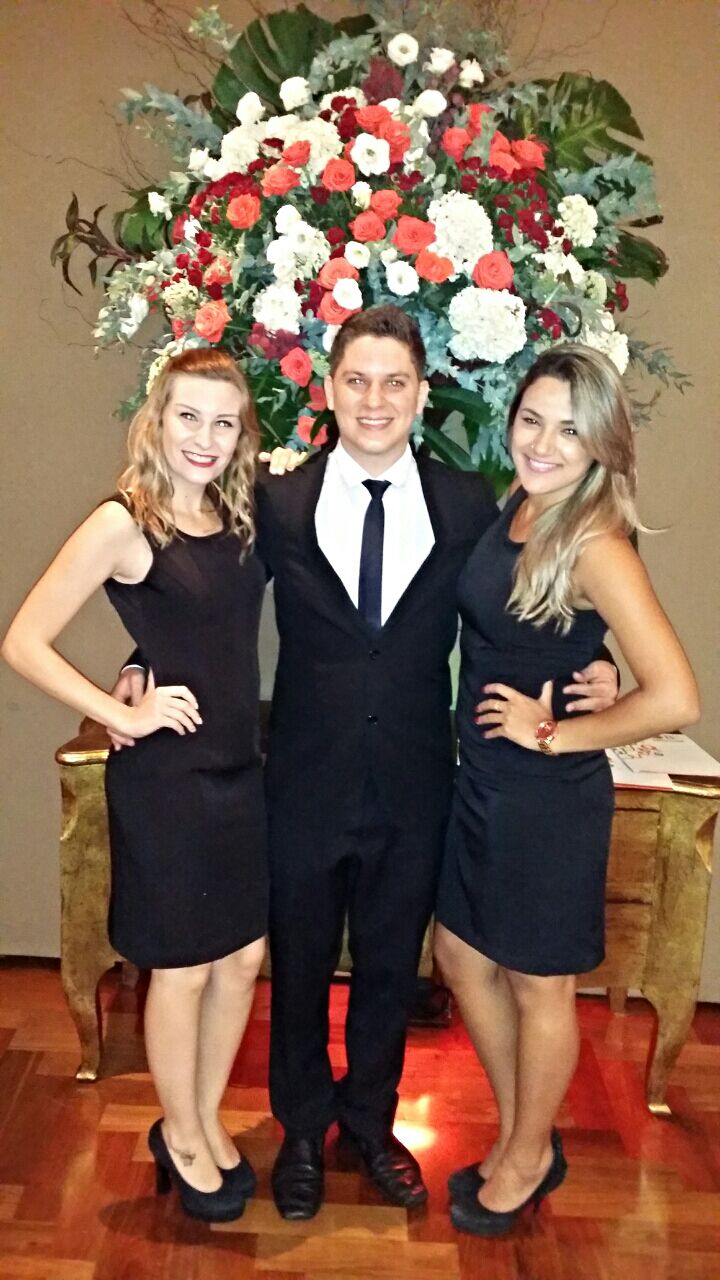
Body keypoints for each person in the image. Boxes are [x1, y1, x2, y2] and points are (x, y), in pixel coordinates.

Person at [252, 307, 619, 1219]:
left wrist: (599, 660)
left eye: (395, 382)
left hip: (418, 782)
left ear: (422, 393)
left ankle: (370, 1126)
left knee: (392, 968)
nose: (374, 400)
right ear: (328, 388)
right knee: (300, 965)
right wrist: (144, 661)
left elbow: (531, 597)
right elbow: (207, 597)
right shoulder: (278, 500)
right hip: (303, 779)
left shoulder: (468, 505)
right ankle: (300, 1129)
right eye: (356, 380)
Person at [433, 344, 700, 1237]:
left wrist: (555, 732)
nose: (543, 443)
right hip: (484, 783)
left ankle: (523, 1158)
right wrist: (595, 665)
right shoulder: (519, 504)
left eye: (569, 431)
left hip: (545, 800)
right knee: (461, 956)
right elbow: (549, 632)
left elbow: (677, 695)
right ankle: (527, 1133)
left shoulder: (595, 541)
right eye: (532, 420)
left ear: (600, 446)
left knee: (538, 985)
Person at [1, 348, 269, 1223]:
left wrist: (136, 657)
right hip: (169, 782)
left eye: (223, 421)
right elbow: (23, 640)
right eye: (188, 416)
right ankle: (180, 1132)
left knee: (242, 959)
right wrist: (121, 709)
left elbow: (193, 622)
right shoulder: (125, 522)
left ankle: (204, 1116)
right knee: (183, 970)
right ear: (156, 420)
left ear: (242, 434)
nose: (205, 437)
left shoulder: (235, 515)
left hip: (239, 770)